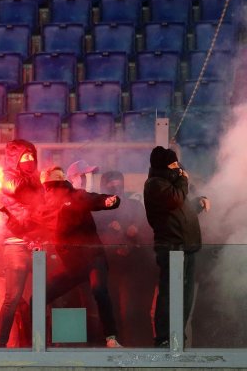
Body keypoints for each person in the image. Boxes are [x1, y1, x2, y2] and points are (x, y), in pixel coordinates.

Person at [40, 166, 123, 348]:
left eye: (57, 182)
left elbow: (93, 199)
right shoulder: (46, 205)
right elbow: (33, 225)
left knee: (99, 290)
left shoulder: (75, 196)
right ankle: (37, 341)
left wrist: (108, 201)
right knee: (39, 296)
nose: (51, 190)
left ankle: (111, 337)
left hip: (93, 257)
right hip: (72, 264)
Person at [143, 146, 210, 347]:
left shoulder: (171, 185)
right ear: (163, 165)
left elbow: (182, 210)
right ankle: (164, 337)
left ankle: (176, 335)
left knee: (185, 296)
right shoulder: (155, 184)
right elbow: (175, 201)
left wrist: (198, 204)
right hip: (172, 248)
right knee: (169, 294)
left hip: (186, 247)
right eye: (173, 164)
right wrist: (184, 178)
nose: (178, 168)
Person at [0, 139, 50, 348]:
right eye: (25, 157)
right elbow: (17, 189)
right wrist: (39, 180)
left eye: (32, 156)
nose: (30, 160)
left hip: (37, 244)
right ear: (14, 159)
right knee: (12, 298)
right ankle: (1, 343)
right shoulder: (8, 178)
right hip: (16, 245)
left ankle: (42, 342)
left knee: (46, 295)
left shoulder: (35, 180)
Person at [94, 170, 156, 346]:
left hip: (134, 267)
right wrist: (111, 231)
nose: (115, 186)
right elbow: (93, 234)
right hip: (108, 267)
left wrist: (133, 230)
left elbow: (146, 229)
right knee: (110, 311)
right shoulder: (98, 208)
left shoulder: (134, 205)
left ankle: (139, 348)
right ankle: (114, 348)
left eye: (117, 182)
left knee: (133, 311)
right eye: (110, 182)